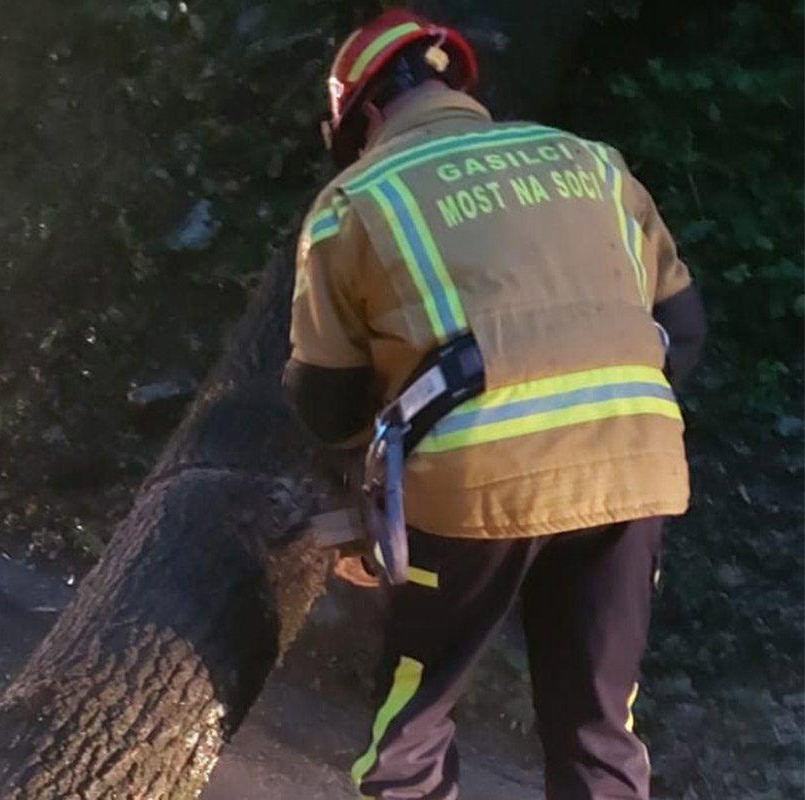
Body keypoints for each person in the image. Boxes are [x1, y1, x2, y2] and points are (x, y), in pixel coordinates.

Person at [283, 8, 707, 800]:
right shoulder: (592, 162)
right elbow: (682, 329)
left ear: (368, 115)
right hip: (633, 471)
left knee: (415, 721)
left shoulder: (356, 198)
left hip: (474, 483)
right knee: (599, 727)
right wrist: (601, 428)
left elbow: (328, 397)